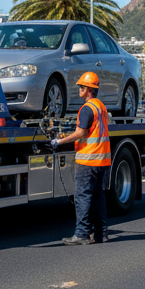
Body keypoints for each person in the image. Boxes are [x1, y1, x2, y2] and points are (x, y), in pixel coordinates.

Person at [52, 71, 111, 244]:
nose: (79, 89)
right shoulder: (101, 106)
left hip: (88, 160)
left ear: (88, 89)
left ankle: (82, 234)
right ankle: (100, 233)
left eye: (81, 87)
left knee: (82, 196)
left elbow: (81, 132)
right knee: (98, 195)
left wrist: (59, 141)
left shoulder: (86, 108)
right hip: (102, 160)